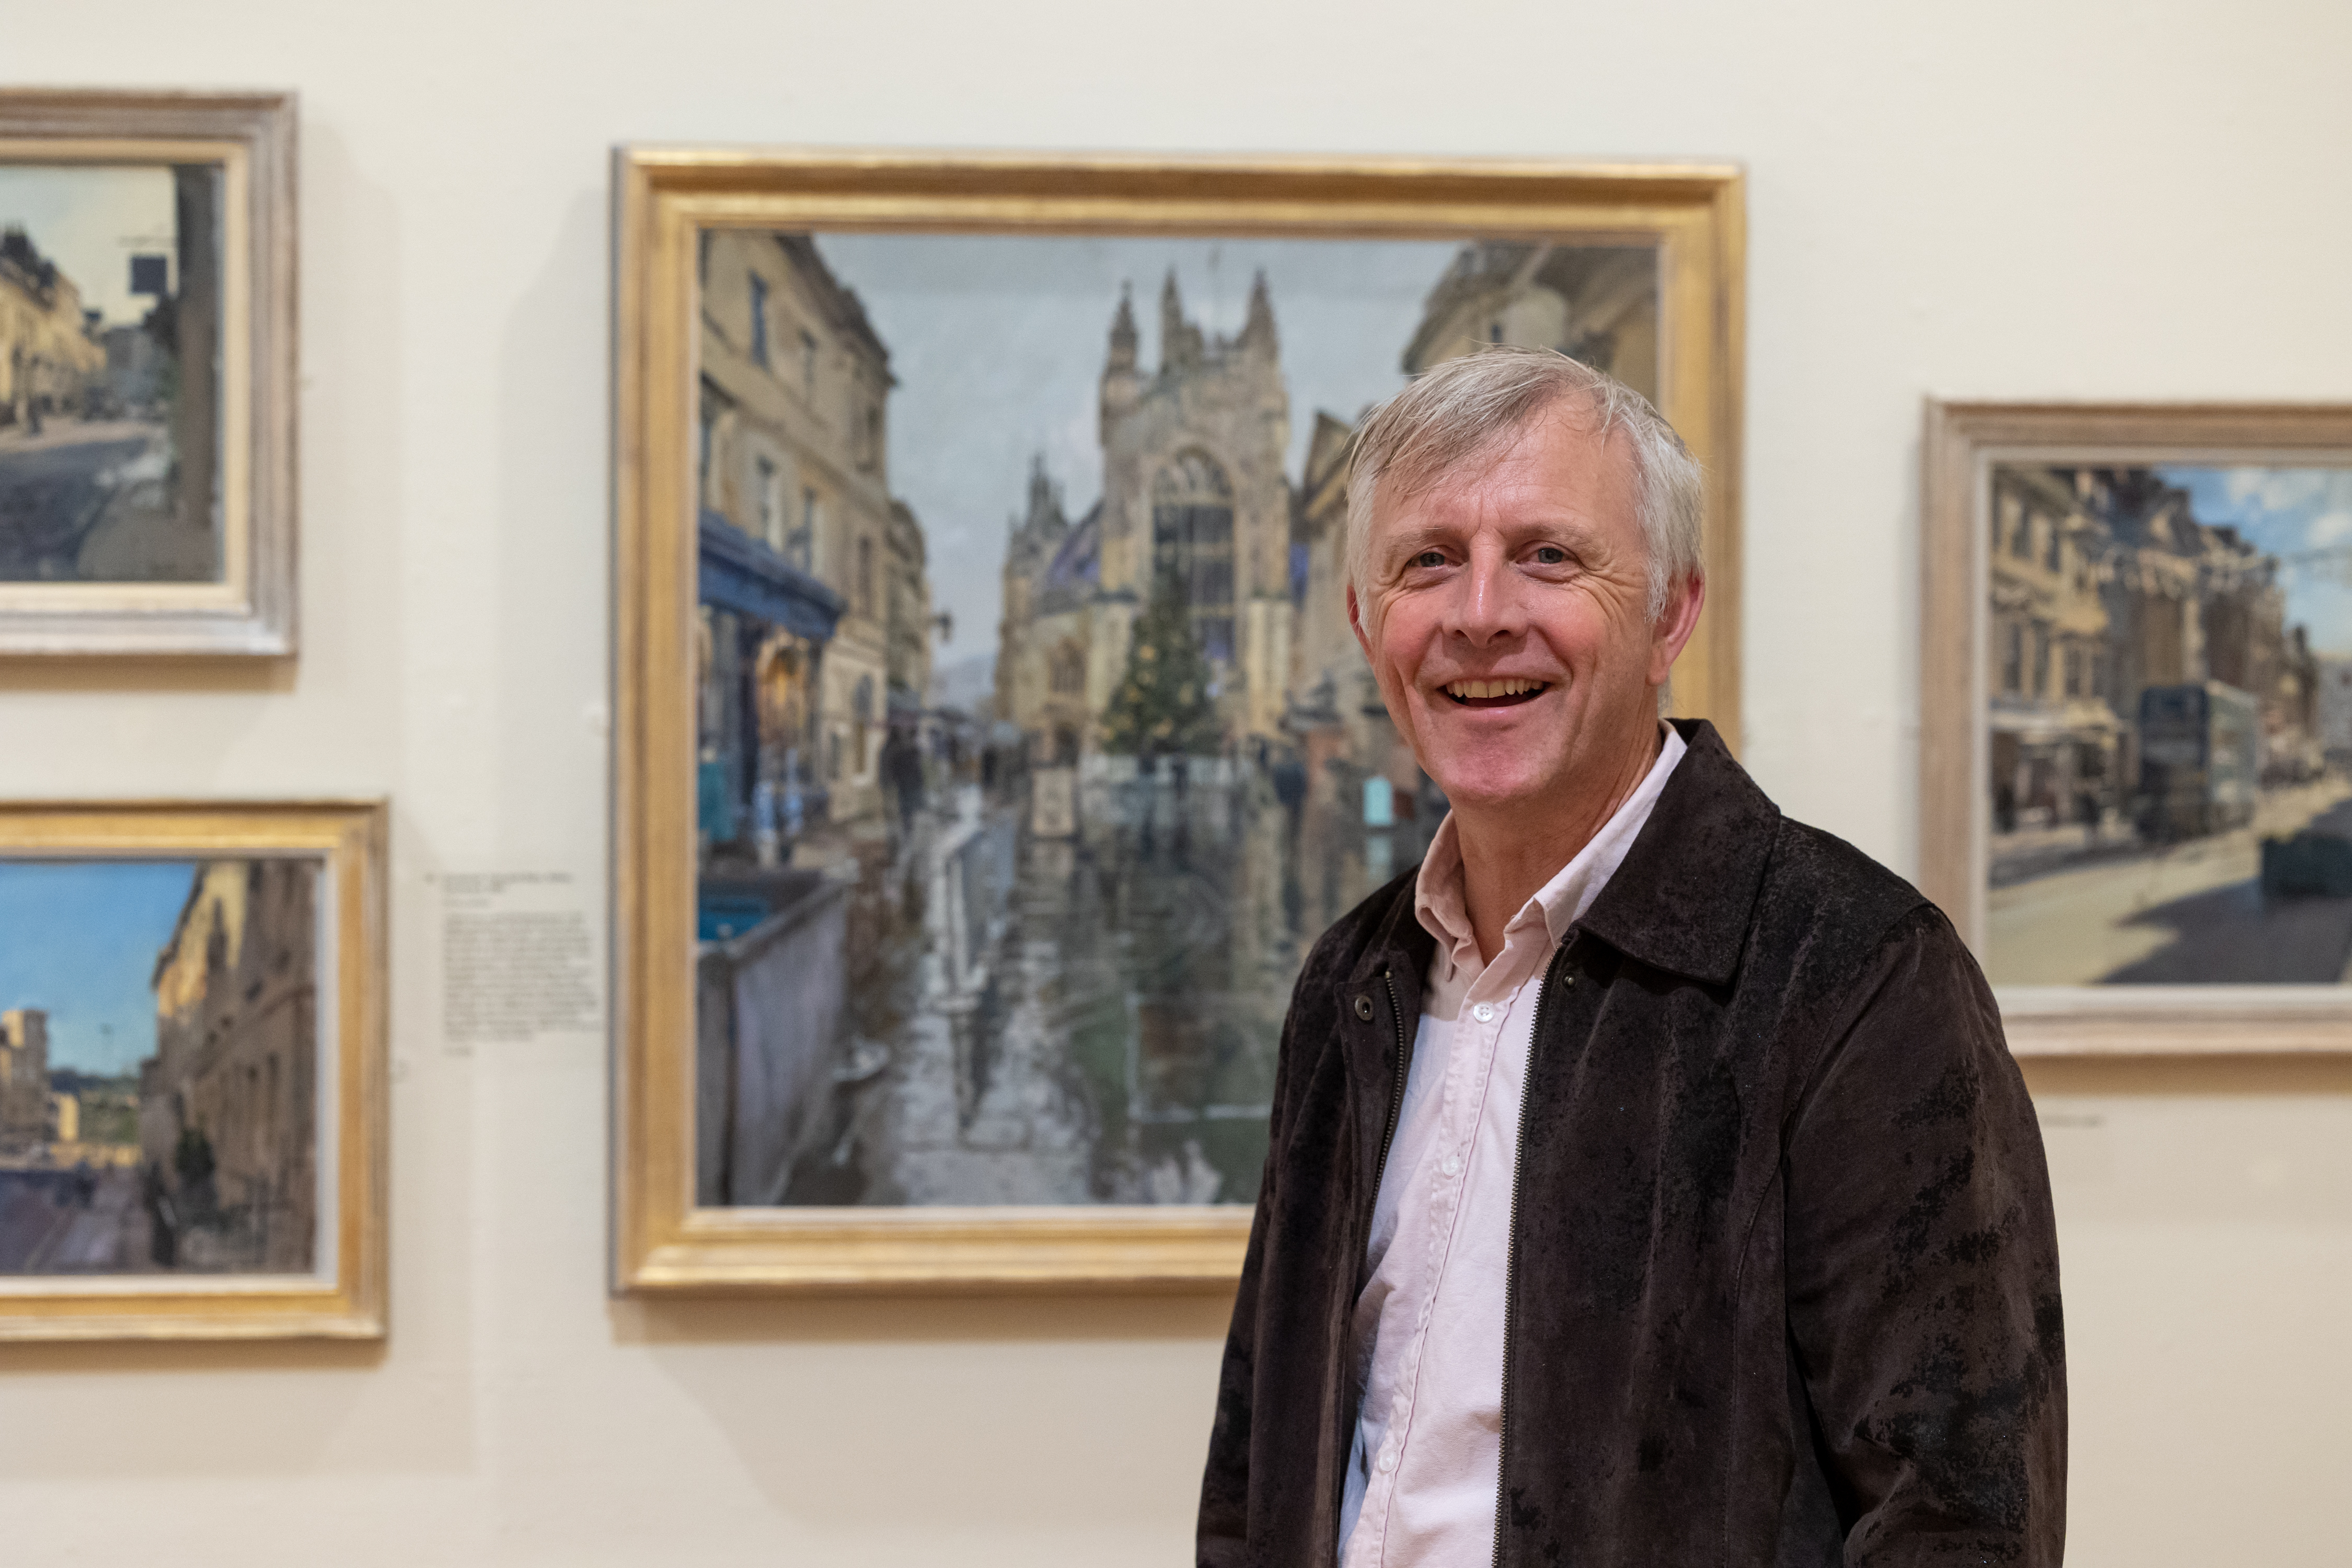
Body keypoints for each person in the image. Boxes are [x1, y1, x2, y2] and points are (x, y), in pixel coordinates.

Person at [1197, 349, 2063, 1566]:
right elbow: (1257, 1468)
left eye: (1550, 556)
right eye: (1427, 560)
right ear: (1365, 620)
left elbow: (1962, 1519)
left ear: (1671, 613)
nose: (1481, 612)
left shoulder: (1861, 976)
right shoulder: (1355, 979)